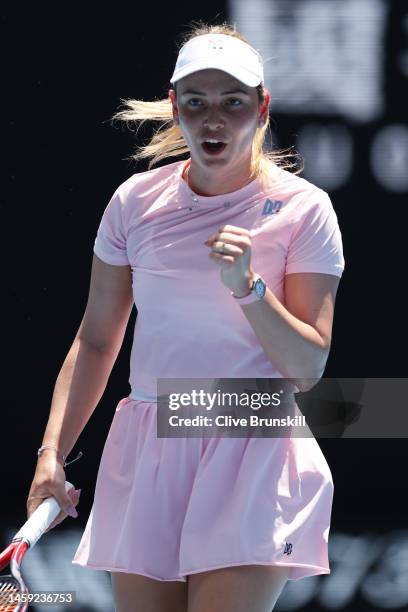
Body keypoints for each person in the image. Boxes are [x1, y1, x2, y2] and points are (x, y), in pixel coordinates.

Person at [26, 22, 345, 612]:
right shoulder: (132, 203)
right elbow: (97, 341)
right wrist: (52, 453)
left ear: (262, 108)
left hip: (254, 443)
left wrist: (249, 290)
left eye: (232, 103)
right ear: (175, 108)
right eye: (195, 104)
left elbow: (307, 366)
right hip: (149, 443)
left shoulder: (306, 210)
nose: (212, 121)